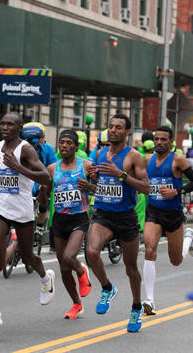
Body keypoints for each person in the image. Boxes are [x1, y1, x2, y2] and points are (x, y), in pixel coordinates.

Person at [0, 112, 55, 331]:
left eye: (10, 124)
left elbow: (46, 177)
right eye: (2, 123)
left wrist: (19, 167)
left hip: (22, 211)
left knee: (28, 257)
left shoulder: (26, 149)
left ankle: (45, 277)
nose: (4, 127)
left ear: (19, 128)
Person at [80, 113, 149, 333]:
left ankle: (136, 307)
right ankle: (107, 288)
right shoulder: (100, 153)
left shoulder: (135, 157)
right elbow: (102, 183)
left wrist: (121, 175)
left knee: (131, 269)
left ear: (127, 132)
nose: (113, 130)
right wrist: (93, 178)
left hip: (126, 217)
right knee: (91, 252)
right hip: (103, 214)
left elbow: (146, 188)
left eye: (118, 127)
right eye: (110, 126)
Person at [141, 126, 193, 316]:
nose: (159, 142)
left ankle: (189, 240)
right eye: (156, 139)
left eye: (163, 139)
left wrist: (177, 191)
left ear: (171, 142)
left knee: (176, 260)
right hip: (153, 212)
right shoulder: (147, 160)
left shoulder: (178, 160)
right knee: (149, 249)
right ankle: (149, 299)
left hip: (173, 213)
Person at [47, 130, 94, 319]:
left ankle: (82, 270)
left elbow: (99, 189)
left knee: (68, 257)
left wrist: (89, 187)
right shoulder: (52, 168)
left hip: (79, 217)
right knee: (63, 266)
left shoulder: (87, 166)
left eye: (68, 143)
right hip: (59, 218)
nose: (64, 146)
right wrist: (43, 190)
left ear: (76, 147)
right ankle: (76, 304)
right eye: (61, 142)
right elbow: (46, 192)